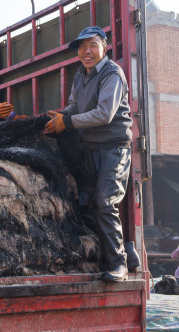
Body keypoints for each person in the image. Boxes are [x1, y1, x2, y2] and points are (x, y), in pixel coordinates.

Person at [44, 26, 133, 282]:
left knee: (106, 203)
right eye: (82, 47)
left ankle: (120, 264)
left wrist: (68, 123)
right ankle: (98, 260)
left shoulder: (112, 73)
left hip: (113, 147)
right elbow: (74, 106)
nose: (86, 51)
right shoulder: (80, 75)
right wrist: (60, 116)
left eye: (92, 45)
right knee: (85, 203)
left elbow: (105, 114)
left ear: (104, 46)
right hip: (90, 147)